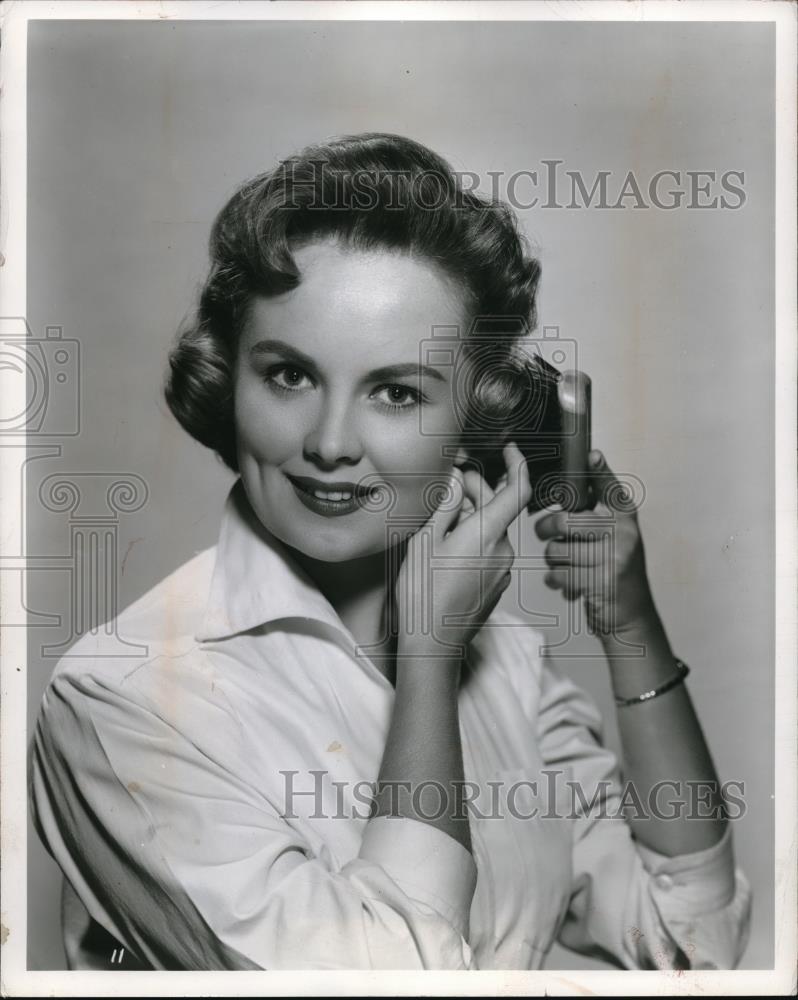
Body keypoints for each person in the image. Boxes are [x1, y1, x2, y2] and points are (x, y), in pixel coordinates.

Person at [29, 133, 752, 971]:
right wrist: (429, 660)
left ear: (471, 424)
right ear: (229, 381)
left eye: (396, 392)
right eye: (289, 376)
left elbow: (695, 942)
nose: (330, 444)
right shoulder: (120, 695)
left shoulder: (509, 667)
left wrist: (629, 623)